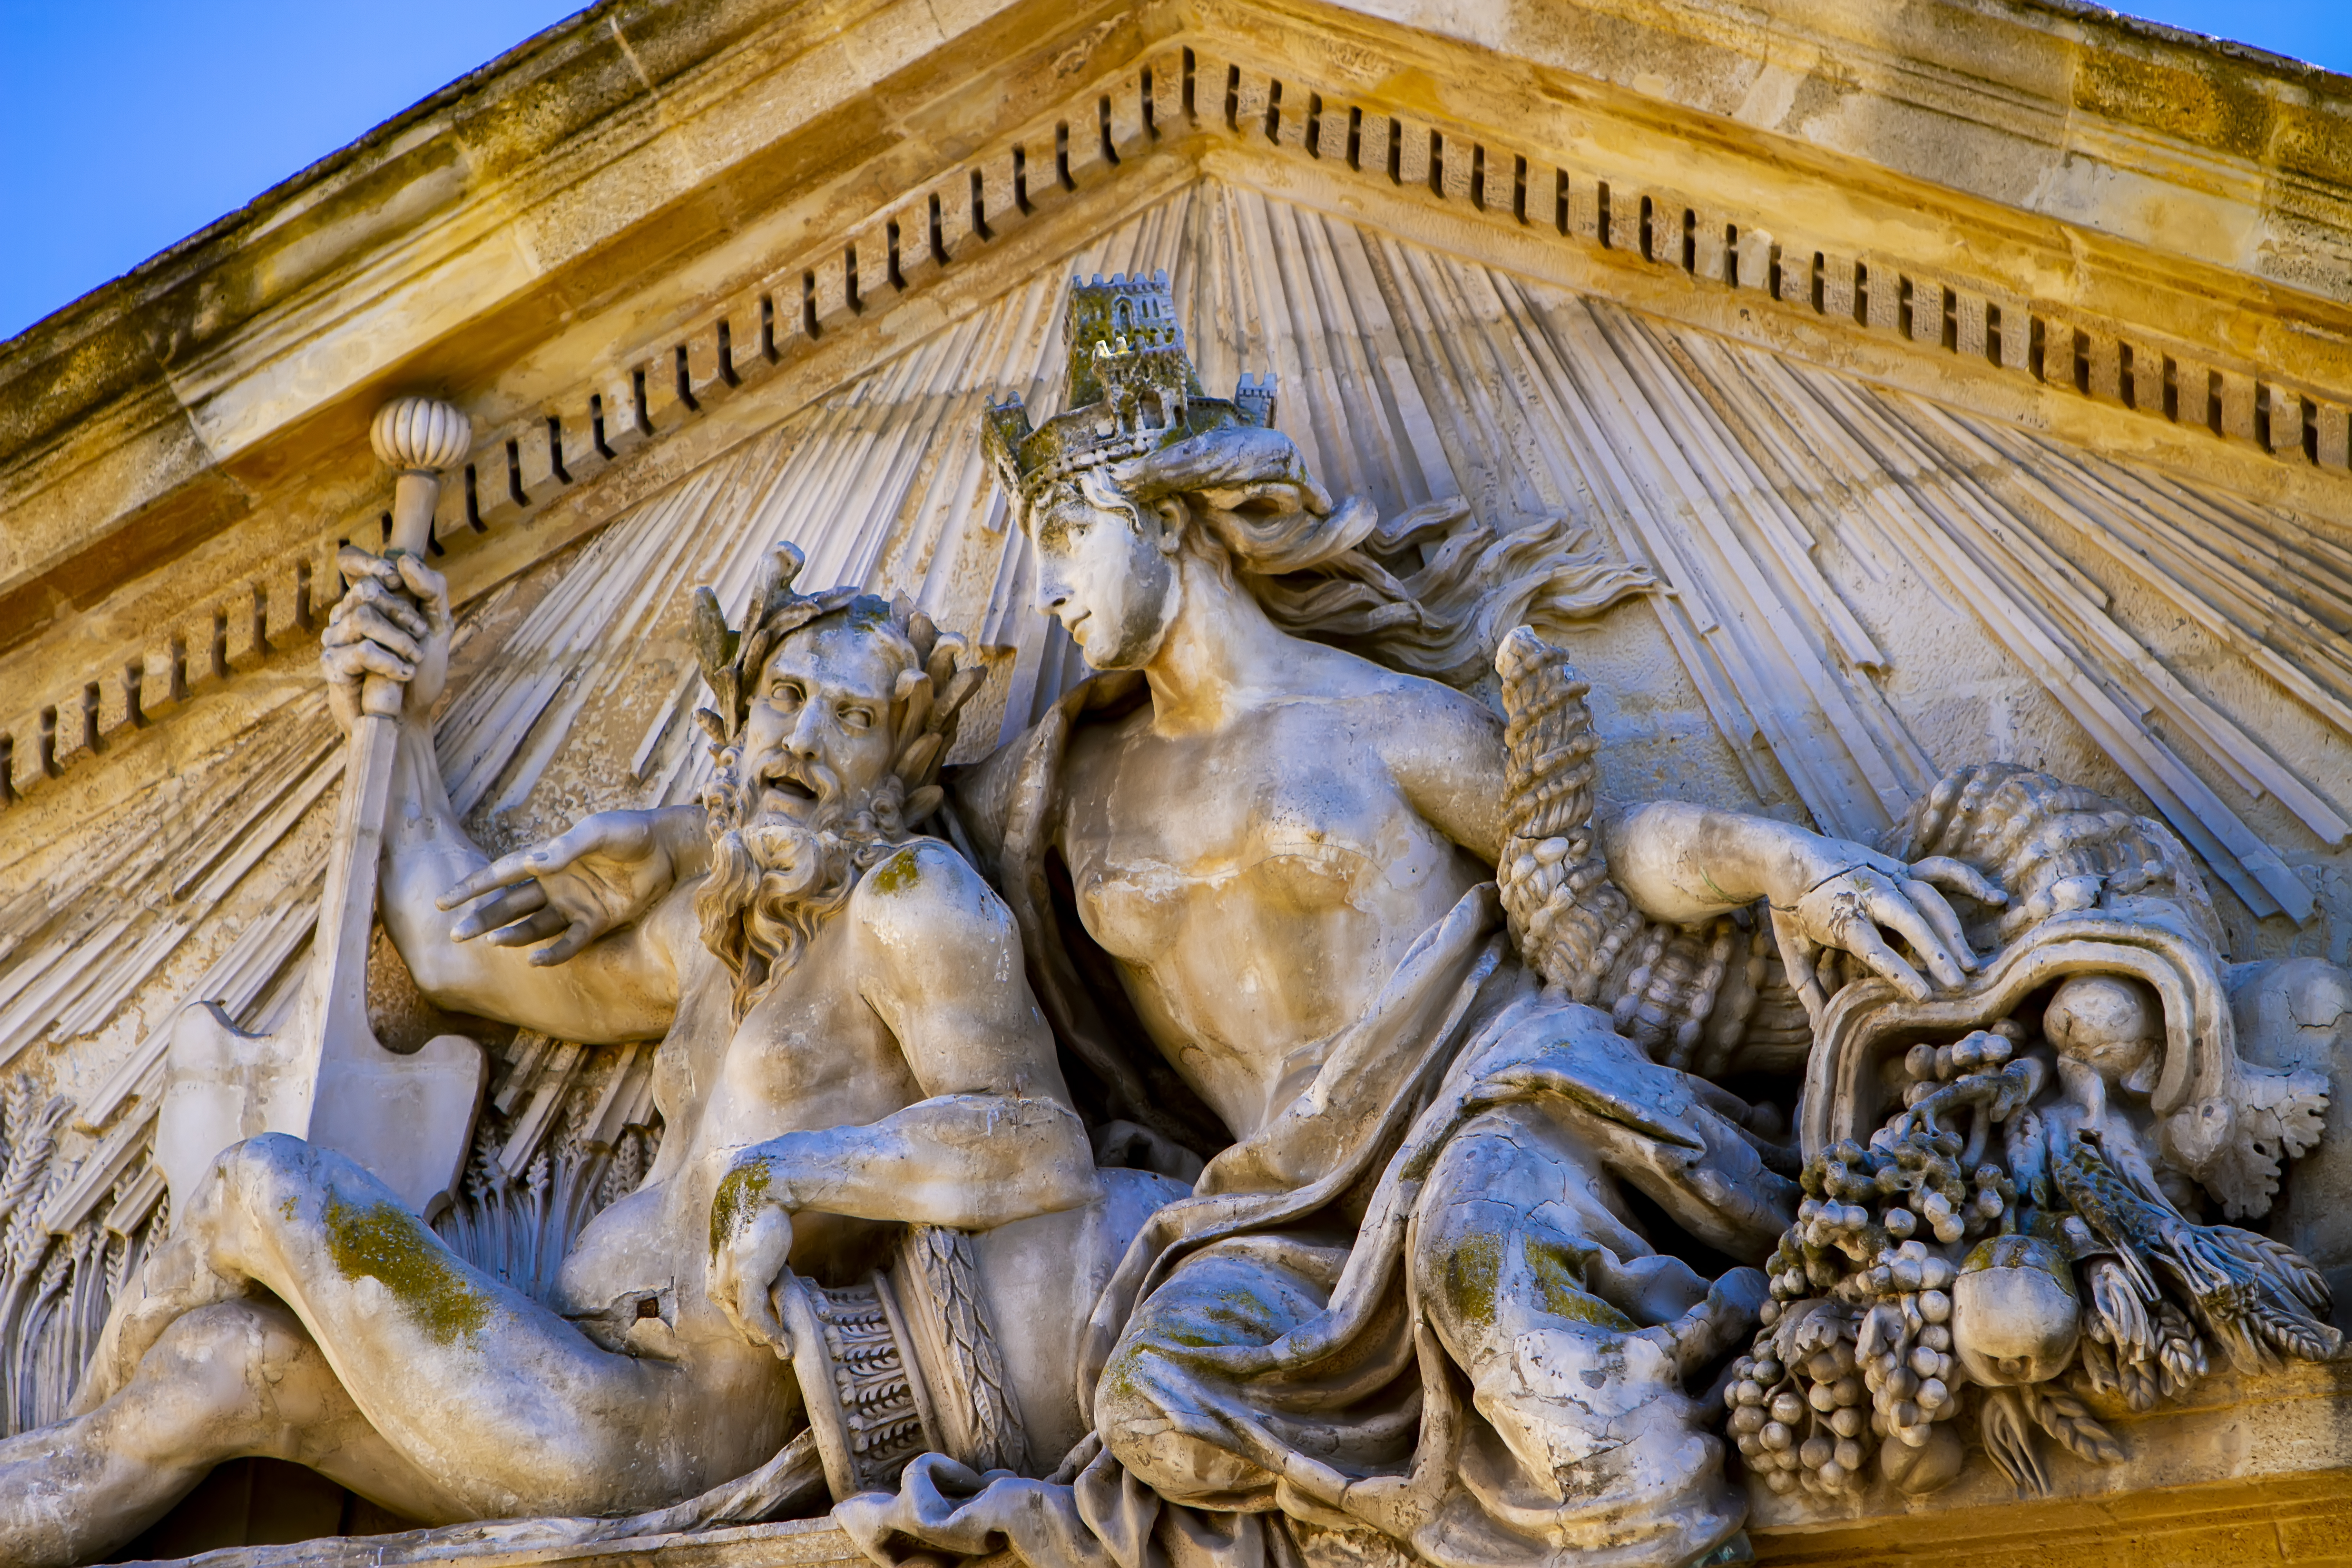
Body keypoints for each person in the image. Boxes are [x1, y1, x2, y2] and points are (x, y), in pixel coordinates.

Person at [464, 276, 2004, 1568]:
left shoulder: (1371, 717)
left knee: (1509, 1310)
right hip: (1267, 1204)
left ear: (1168, 520)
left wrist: (1783, 857)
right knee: (1157, 1413)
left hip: (1484, 1110)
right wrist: (671, 832)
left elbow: (1601, 847)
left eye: (1068, 534)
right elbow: (854, 822)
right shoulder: (1060, 792)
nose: (1050, 584)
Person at [0, 545, 1126, 1568]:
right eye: (785, 697)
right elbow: (447, 942)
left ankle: (72, 1416)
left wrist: (787, 1175)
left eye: (851, 716)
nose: (806, 736)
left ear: (900, 769)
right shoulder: (716, 941)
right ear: (733, 731)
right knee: (218, 1367)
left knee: (266, 1182)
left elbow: (1038, 1141)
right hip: (550, 1367)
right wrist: (401, 720)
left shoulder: (913, 903)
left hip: (646, 1431)